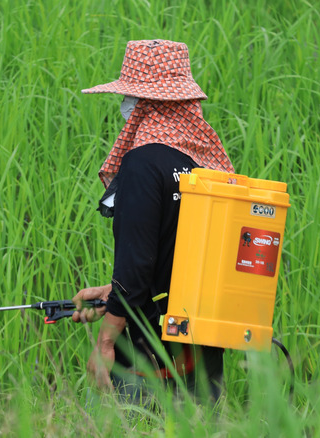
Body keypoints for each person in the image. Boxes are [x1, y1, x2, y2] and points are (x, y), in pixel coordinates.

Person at [71, 40, 235, 403]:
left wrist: (106, 340)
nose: (125, 106)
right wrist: (113, 293)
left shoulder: (143, 164)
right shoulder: (202, 165)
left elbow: (138, 266)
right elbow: (176, 256)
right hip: (202, 333)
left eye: (130, 97)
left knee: (145, 424)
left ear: (144, 102)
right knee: (201, 425)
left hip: (152, 340)